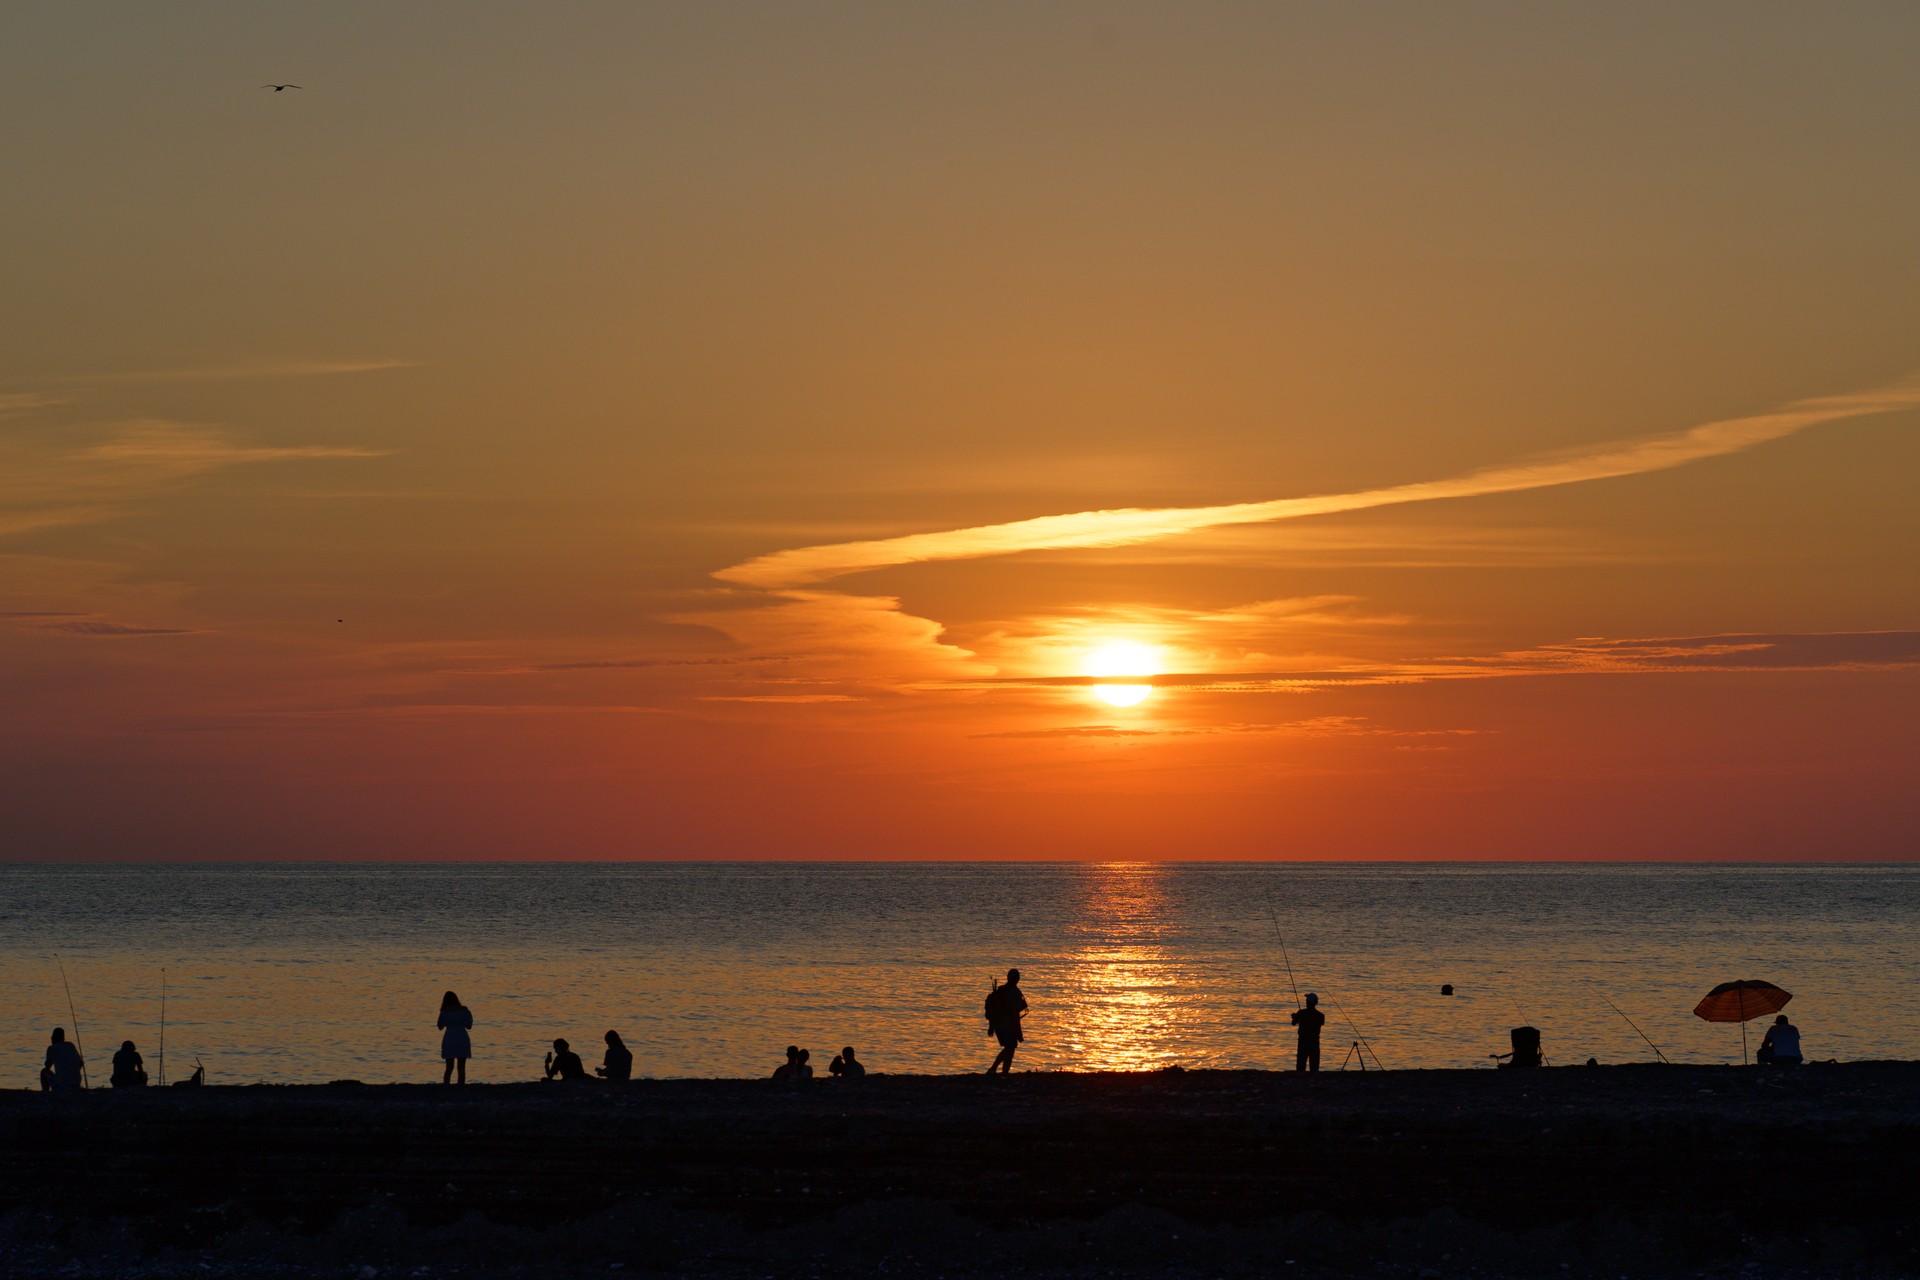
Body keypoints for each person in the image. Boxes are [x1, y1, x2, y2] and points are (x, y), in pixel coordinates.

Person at [984, 968, 1028, 1075]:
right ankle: (1003, 1072)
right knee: (1010, 1049)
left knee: (1009, 1048)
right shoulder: (1015, 992)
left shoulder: (1001, 990)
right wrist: (1018, 1031)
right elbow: (1015, 1014)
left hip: (999, 1025)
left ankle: (995, 1069)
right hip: (1008, 1025)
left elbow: (994, 1010)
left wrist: (992, 1026)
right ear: (1018, 979)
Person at [438, 991, 473, 1085]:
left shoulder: (444, 1012)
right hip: (462, 1037)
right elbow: (469, 1025)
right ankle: (460, 1086)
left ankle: (446, 1086)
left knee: (449, 1067)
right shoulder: (464, 1010)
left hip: (449, 1038)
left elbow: (440, 1026)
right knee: (461, 1067)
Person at [1291, 993, 1327, 1073]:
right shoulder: (1321, 1016)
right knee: (1314, 1067)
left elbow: (1293, 1023)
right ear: (1316, 1003)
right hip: (1314, 1042)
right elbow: (1318, 1023)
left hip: (1303, 1042)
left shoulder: (1301, 1013)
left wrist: (1295, 1017)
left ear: (1307, 1002)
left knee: (1301, 1065)